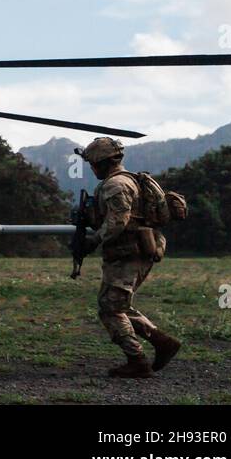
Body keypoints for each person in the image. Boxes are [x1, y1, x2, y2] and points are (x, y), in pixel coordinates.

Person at [79, 137, 181, 378]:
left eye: (93, 164)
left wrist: (92, 241)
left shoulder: (116, 185)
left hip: (128, 253)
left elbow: (118, 221)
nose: (92, 169)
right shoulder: (129, 180)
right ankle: (162, 342)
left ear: (102, 163)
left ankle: (137, 360)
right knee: (118, 303)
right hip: (135, 251)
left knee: (110, 308)